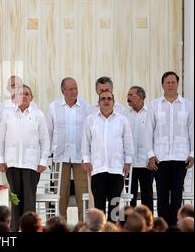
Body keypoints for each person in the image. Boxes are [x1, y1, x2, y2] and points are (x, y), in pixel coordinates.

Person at [0, 85, 50, 231]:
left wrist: (43, 161)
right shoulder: (7, 115)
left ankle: (29, 229)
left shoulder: (38, 115)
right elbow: (0, 139)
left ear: (31, 97)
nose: (24, 96)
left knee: (29, 202)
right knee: (15, 201)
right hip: (11, 164)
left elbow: (45, 140)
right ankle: (14, 231)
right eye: (20, 94)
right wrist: (0, 159)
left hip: (31, 164)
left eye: (27, 94)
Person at [145, 71, 194, 226]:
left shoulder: (188, 105)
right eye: (168, 82)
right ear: (163, 84)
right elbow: (148, 132)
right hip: (161, 158)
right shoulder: (154, 105)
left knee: (177, 194)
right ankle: (163, 226)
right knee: (161, 195)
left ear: (177, 84)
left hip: (181, 158)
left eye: (173, 82)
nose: (171, 85)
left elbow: (192, 130)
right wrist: (150, 155)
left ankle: (176, 226)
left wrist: (192, 153)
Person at [82, 91, 133, 221]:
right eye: (103, 99)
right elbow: (85, 142)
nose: (106, 101)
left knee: (116, 207)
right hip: (97, 169)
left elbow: (128, 143)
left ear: (113, 102)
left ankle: (114, 230)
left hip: (117, 169)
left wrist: (127, 162)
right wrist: (86, 160)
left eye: (109, 98)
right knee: (98, 206)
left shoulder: (122, 120)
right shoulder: (90, 120)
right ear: (98, 103)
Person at [48, 77, 90, 221]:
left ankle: (83, 226)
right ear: (63, 91)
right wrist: (48, 156)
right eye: (71, 89)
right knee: (59, 195)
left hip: (81, 157)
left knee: (83, 195)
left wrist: (88, 156)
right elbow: (49, 132)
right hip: (60, 157)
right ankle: (60, 226)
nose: (74, 92)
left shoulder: (86, 107)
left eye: (76, 88)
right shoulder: (53, 107)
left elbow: (89, 132)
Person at [123, 86, 153, 211]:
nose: (128, 98)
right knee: (130, 196)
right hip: (129, 164)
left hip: (146, 163)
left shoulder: (150, 113)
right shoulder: (125, 114)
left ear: (140, 97)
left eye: (131, 95)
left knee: (147, 195)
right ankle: (130, 223)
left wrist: (152, 157)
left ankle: (149, 223)